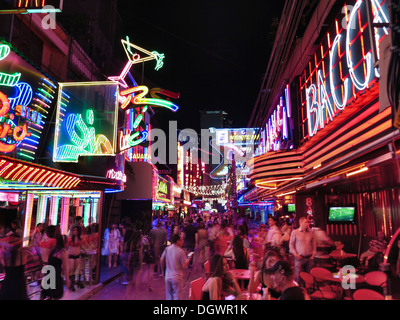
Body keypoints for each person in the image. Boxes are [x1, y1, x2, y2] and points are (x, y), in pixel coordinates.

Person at [160, 233, 193, 300]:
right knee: (177, 296)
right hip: (177, 276)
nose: (183, 241)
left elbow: (161, 260)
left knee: (169, 296)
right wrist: (189, 258)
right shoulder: (180, 251)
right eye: (181, 240)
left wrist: (163, 271)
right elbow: (184, 266)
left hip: (168, 276)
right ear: (177, 241)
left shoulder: (167, 249)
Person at [0, 234, 30, 300]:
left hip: (8, 283)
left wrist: (6, 241)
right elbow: (28, 239)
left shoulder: (3, 255)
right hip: (20, 284)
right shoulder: (24, 253)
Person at [41, 234, 70, 300]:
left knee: (49, 295)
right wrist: (67, 279)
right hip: (55, 276)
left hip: (48, 274)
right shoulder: (63, 252)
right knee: (56, 296)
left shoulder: (53, 250)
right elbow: (65, 267)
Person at [289, 217, 317, 283]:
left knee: (309, 278)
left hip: (309, 258)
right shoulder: (295, 232)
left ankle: (309, 292)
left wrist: (313, 255)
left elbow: (314, 245)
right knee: (298, 278)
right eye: (305, 222)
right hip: (299, 259)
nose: (307, 224)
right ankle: (298, 291)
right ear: (300, 223)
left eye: (307, 222)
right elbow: (291, 245)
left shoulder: (311, 233)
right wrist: (295, 254)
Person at [67, 226, 86, 291]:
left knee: (76, 270)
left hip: (77, 255)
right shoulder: (70, 239)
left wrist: (85, 250)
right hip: (71, 255)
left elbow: (81, 246)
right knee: (71, 270)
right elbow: (67, 247)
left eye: (76, 230)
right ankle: (71, 285)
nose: (75, 231)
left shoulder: (80, 238)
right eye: (74, 230)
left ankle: (74, 283)